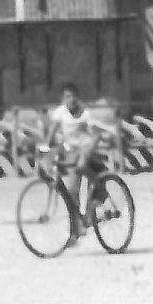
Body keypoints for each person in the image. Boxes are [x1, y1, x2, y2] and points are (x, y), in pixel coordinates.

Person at [47, 85, 108, 221]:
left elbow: (94, 131)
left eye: (74, 96)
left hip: (87, 147)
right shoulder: (60, 112)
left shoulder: (85, 112)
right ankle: (78, 220)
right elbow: (52, 130)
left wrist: (93, 142)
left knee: (81, 166)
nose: (72, 99)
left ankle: (99, 186)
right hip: (72, 151)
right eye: (68, 96)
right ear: (63, 99)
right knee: (72, 189)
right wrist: (47, 145)